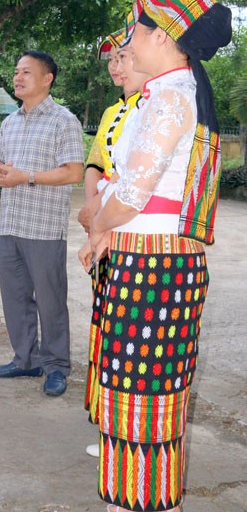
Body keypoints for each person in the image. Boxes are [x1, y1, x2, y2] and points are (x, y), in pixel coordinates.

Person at [79, 0, 231, 512]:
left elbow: (134, 193)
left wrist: (98, 219)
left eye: (135, 31)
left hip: (154, 267)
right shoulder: (164, 95)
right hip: (145, 261)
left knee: (146, 392)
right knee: (135, 386)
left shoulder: (169, 99)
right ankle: (148, 500)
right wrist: (105, 227)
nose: (129, 42)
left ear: (161, 35)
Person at [0, 50, 84, 396]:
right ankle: (25, 359)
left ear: (47, 79)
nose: (18, 77)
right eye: (16, 71)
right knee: (15, 297)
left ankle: (56, 366)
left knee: (50, 300)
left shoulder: (64, 121)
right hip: (10, 224)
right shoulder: (11, 122)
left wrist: (25, 177)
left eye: (26, 72)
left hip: (44, 228)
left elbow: (73, 172)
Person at [78, 30, 145, 456]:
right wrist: (92, 216)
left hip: (131, 232)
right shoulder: (109, 112)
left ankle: (124, 430)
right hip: (103, 225)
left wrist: (103, 217)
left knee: (128, 334)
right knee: (104, 327)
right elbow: (94, 165)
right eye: (111, 59)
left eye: (123, 56)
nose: (115, 66)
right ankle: (106, 424)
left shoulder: (153, 107)